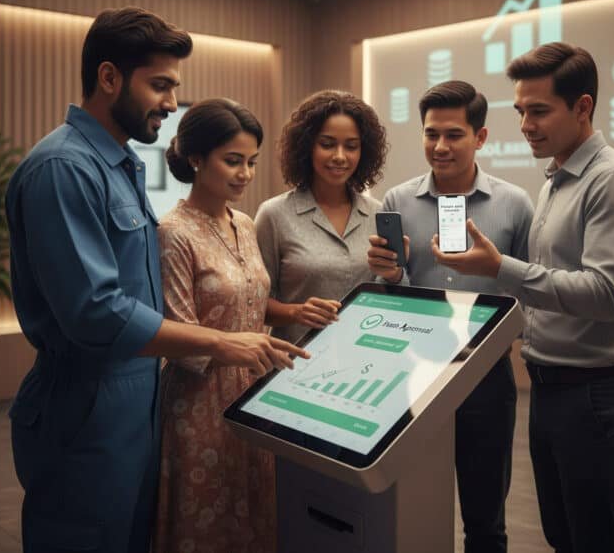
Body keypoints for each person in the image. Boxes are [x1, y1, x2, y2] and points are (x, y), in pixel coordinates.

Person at [5, 8, 307, 553]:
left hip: (136, 401)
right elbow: (95, 311)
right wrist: (220, 341)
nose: (172, 103)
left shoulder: (119, 165)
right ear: (109, 77)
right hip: (87, 402)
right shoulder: (63, 168)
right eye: (160, 85)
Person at [431, 42, 614, 553]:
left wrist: (499, 268)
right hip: (552, 388)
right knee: (563, 536)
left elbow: (605, 295)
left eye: (539, 111)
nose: (527, 124)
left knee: (595, 540)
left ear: (582, 107)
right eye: (520, 111)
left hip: (594, 394)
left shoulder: (613, 182)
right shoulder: (558, 178)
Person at [366, 80, 534, 553]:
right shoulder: (397, 201)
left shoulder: (514, 204)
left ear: (480, 137)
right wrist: (388, 274)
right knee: (410, 509)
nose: (439, 147)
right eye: (430, 134)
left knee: (485, 519)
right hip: (413, 378)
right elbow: (392, 289)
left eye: (454, 135)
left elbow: (529, 288)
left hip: (485, 376)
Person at [154, 98, 287, 553]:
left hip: (256, 389)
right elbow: (177, 334)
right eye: (232, 161)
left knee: (255, 513)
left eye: (251, 162)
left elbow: (249, 302)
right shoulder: (173, 232)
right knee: (208, 520)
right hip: (199, 400)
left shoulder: (245, 224)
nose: (245, 174)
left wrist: (287, 315)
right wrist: (235, 347)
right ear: (196, 159)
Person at [255, 90, 389, 343]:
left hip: (365, 359)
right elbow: (254, 305)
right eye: (327, 144)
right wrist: (296, 312)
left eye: (351, 146)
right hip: (294, 364)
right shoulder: (273, 215)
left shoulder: (378, 213)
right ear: (306, 147)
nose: (340, 156)